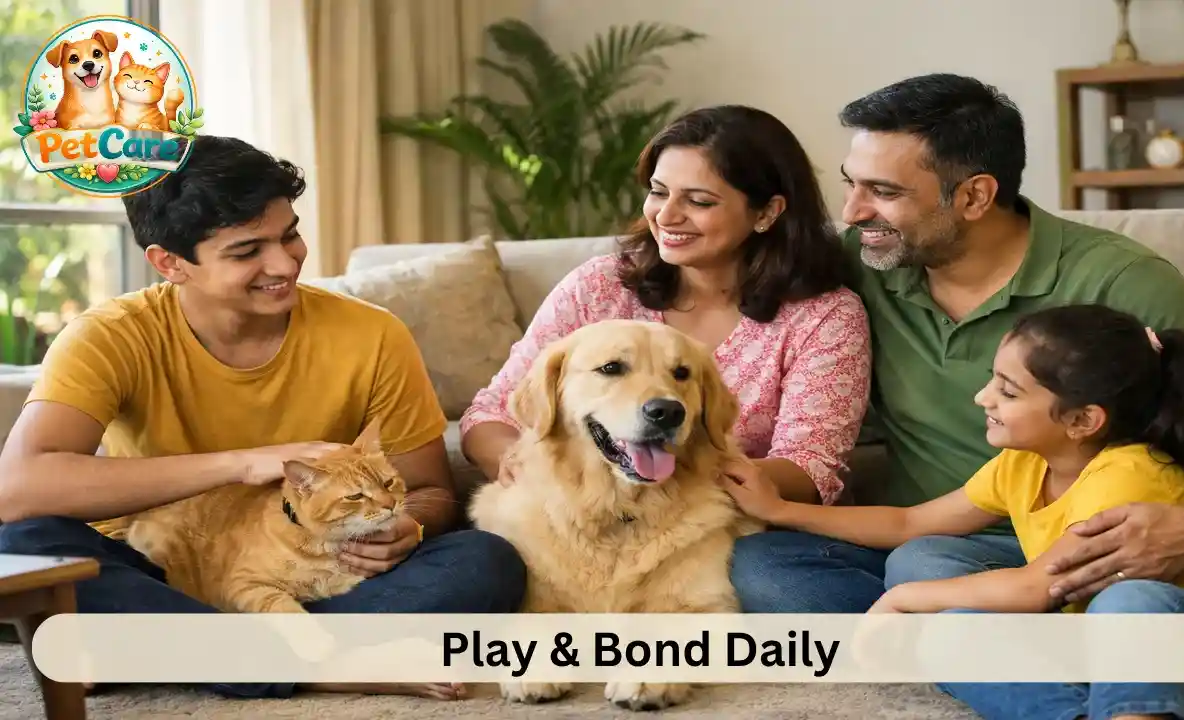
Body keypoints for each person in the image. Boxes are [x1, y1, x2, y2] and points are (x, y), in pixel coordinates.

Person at [729, 73, 1184, 613]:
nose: (851, 212)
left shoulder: (1122, 280)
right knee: (759, 566)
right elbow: (712, 279)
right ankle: (953, 633)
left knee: (923, 566)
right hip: (920, 533)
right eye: (851, 183)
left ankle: (963, 632)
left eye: (884, 192)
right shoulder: (861, 263)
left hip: (1077, 546)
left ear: (975, 196)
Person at [0, 135, 526, 701]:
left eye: (290, 234)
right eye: (247, 251)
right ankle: (317, 663)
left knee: (486, 559)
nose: (285, 263)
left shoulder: (373, 334)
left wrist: (406, 528)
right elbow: (17, 488)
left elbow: (427, 489)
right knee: (24, 542)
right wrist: (239, 464)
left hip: (317, 577)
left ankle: (175, 648)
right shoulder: (109, 335)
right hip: (165, 569)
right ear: (170, 263)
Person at [725, 303, 1184, 720]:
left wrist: (902, 598)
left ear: (1083, 421)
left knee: (1129, 600)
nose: (982, 398)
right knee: (951, 634)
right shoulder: (1023, 464)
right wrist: (781, 510)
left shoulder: (1131, 474)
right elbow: (910, 523)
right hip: (1108, 647)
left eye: (1008, 391)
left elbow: (1037, 588)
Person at [461, 104, 872, 507]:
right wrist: (523, 464)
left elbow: (809, 468)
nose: (667, 215)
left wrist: (681, 475)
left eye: (699, 201)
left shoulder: (826, 316)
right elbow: (490, 415)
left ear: (767, 211)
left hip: (735, 528)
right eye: (658, 192)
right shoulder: (598, 285)